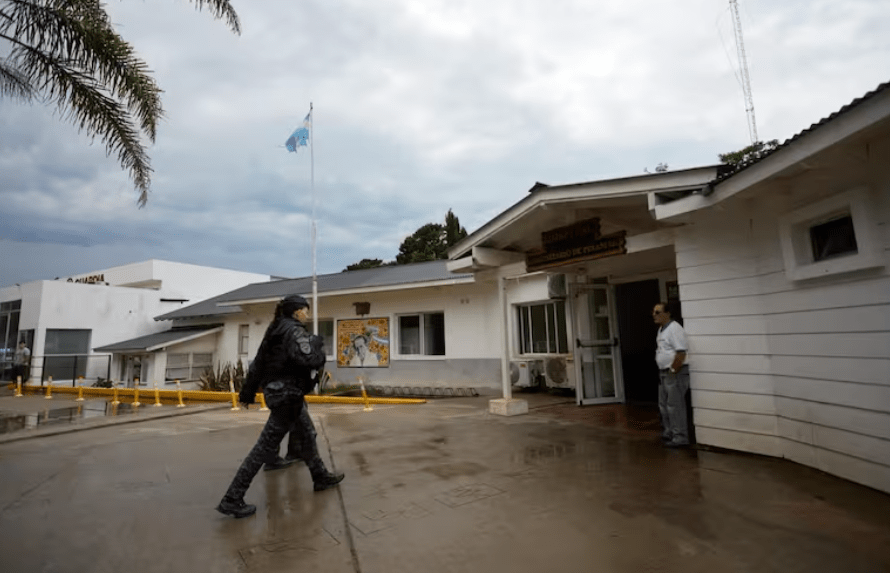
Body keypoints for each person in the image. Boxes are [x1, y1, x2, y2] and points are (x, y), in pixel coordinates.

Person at [216, 294, 344, 519]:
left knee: (307, 433)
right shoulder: (294, 331)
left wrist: (248, 392)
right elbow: (308, 360)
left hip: (279, 393)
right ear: (296, 312)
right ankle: (232, 498)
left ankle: (320, 476)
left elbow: (258, 363)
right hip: (288, 395)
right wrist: (317, 346)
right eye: (305, 310)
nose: (307, 314)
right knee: (263, 447)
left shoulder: (274, 329)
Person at [653, 301, 690, 448]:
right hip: (664, 373)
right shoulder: (661, 330)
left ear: (667, 313)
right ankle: (669, 432)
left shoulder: (674, 329)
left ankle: (680, 436)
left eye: (658, 312)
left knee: (675, 405)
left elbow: (681, 352)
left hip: (675, 372)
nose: (654, 315)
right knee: (664, 405)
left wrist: (673, 371)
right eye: (654, 312)